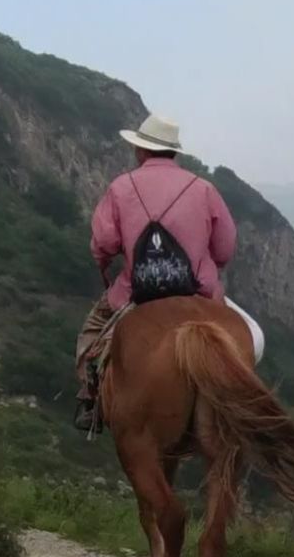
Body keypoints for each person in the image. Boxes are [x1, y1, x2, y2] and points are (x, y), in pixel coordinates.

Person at [74, 113, 238, 416]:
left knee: (91, 337)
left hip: (136, 293)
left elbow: (103, 244)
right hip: (200, 294)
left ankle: (90, 400)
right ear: (174, 151)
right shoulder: (204, 189)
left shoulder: (121, 188)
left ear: (141, 150)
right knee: (248, 336)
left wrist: (105, 264)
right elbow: (225, 249)